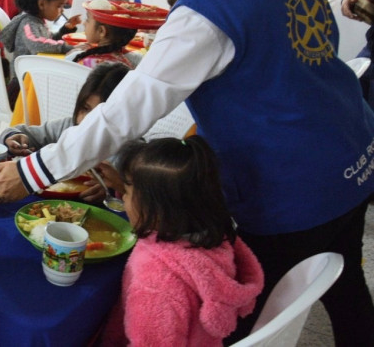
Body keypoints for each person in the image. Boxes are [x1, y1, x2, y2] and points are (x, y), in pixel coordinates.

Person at [0, 0, 374, 344]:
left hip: (290, 184)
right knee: (348, 292)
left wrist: (33, 170)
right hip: (352, 152)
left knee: (241, 317)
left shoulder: (208, 10)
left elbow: (124, 112)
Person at [99, 137, 264, 346]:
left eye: (128, 192)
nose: (122, 198)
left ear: (157, 209)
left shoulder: (154, 283)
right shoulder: (215, 238)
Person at [2, 62, 130, 204]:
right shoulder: (67, 126)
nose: (88, 121)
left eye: (100, 116)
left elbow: (138, 200)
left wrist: (109, 191)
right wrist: (13, 138)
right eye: (85, 108)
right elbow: (18, 132)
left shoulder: (130, 153)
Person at [0, 0, 81, 104]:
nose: (62, 10)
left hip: (34, 81)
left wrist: (65, 29)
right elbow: (38, 44)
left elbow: (47, 39)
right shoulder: (28, 23)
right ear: (41, 4)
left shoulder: (37, 21)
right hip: (22, 90)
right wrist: (67, 47)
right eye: (59, 6)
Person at [66, 0, 138, 68]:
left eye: (87, 19)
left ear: (101, 31)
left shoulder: (86, 62)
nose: (84, 23)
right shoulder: (126, 62)